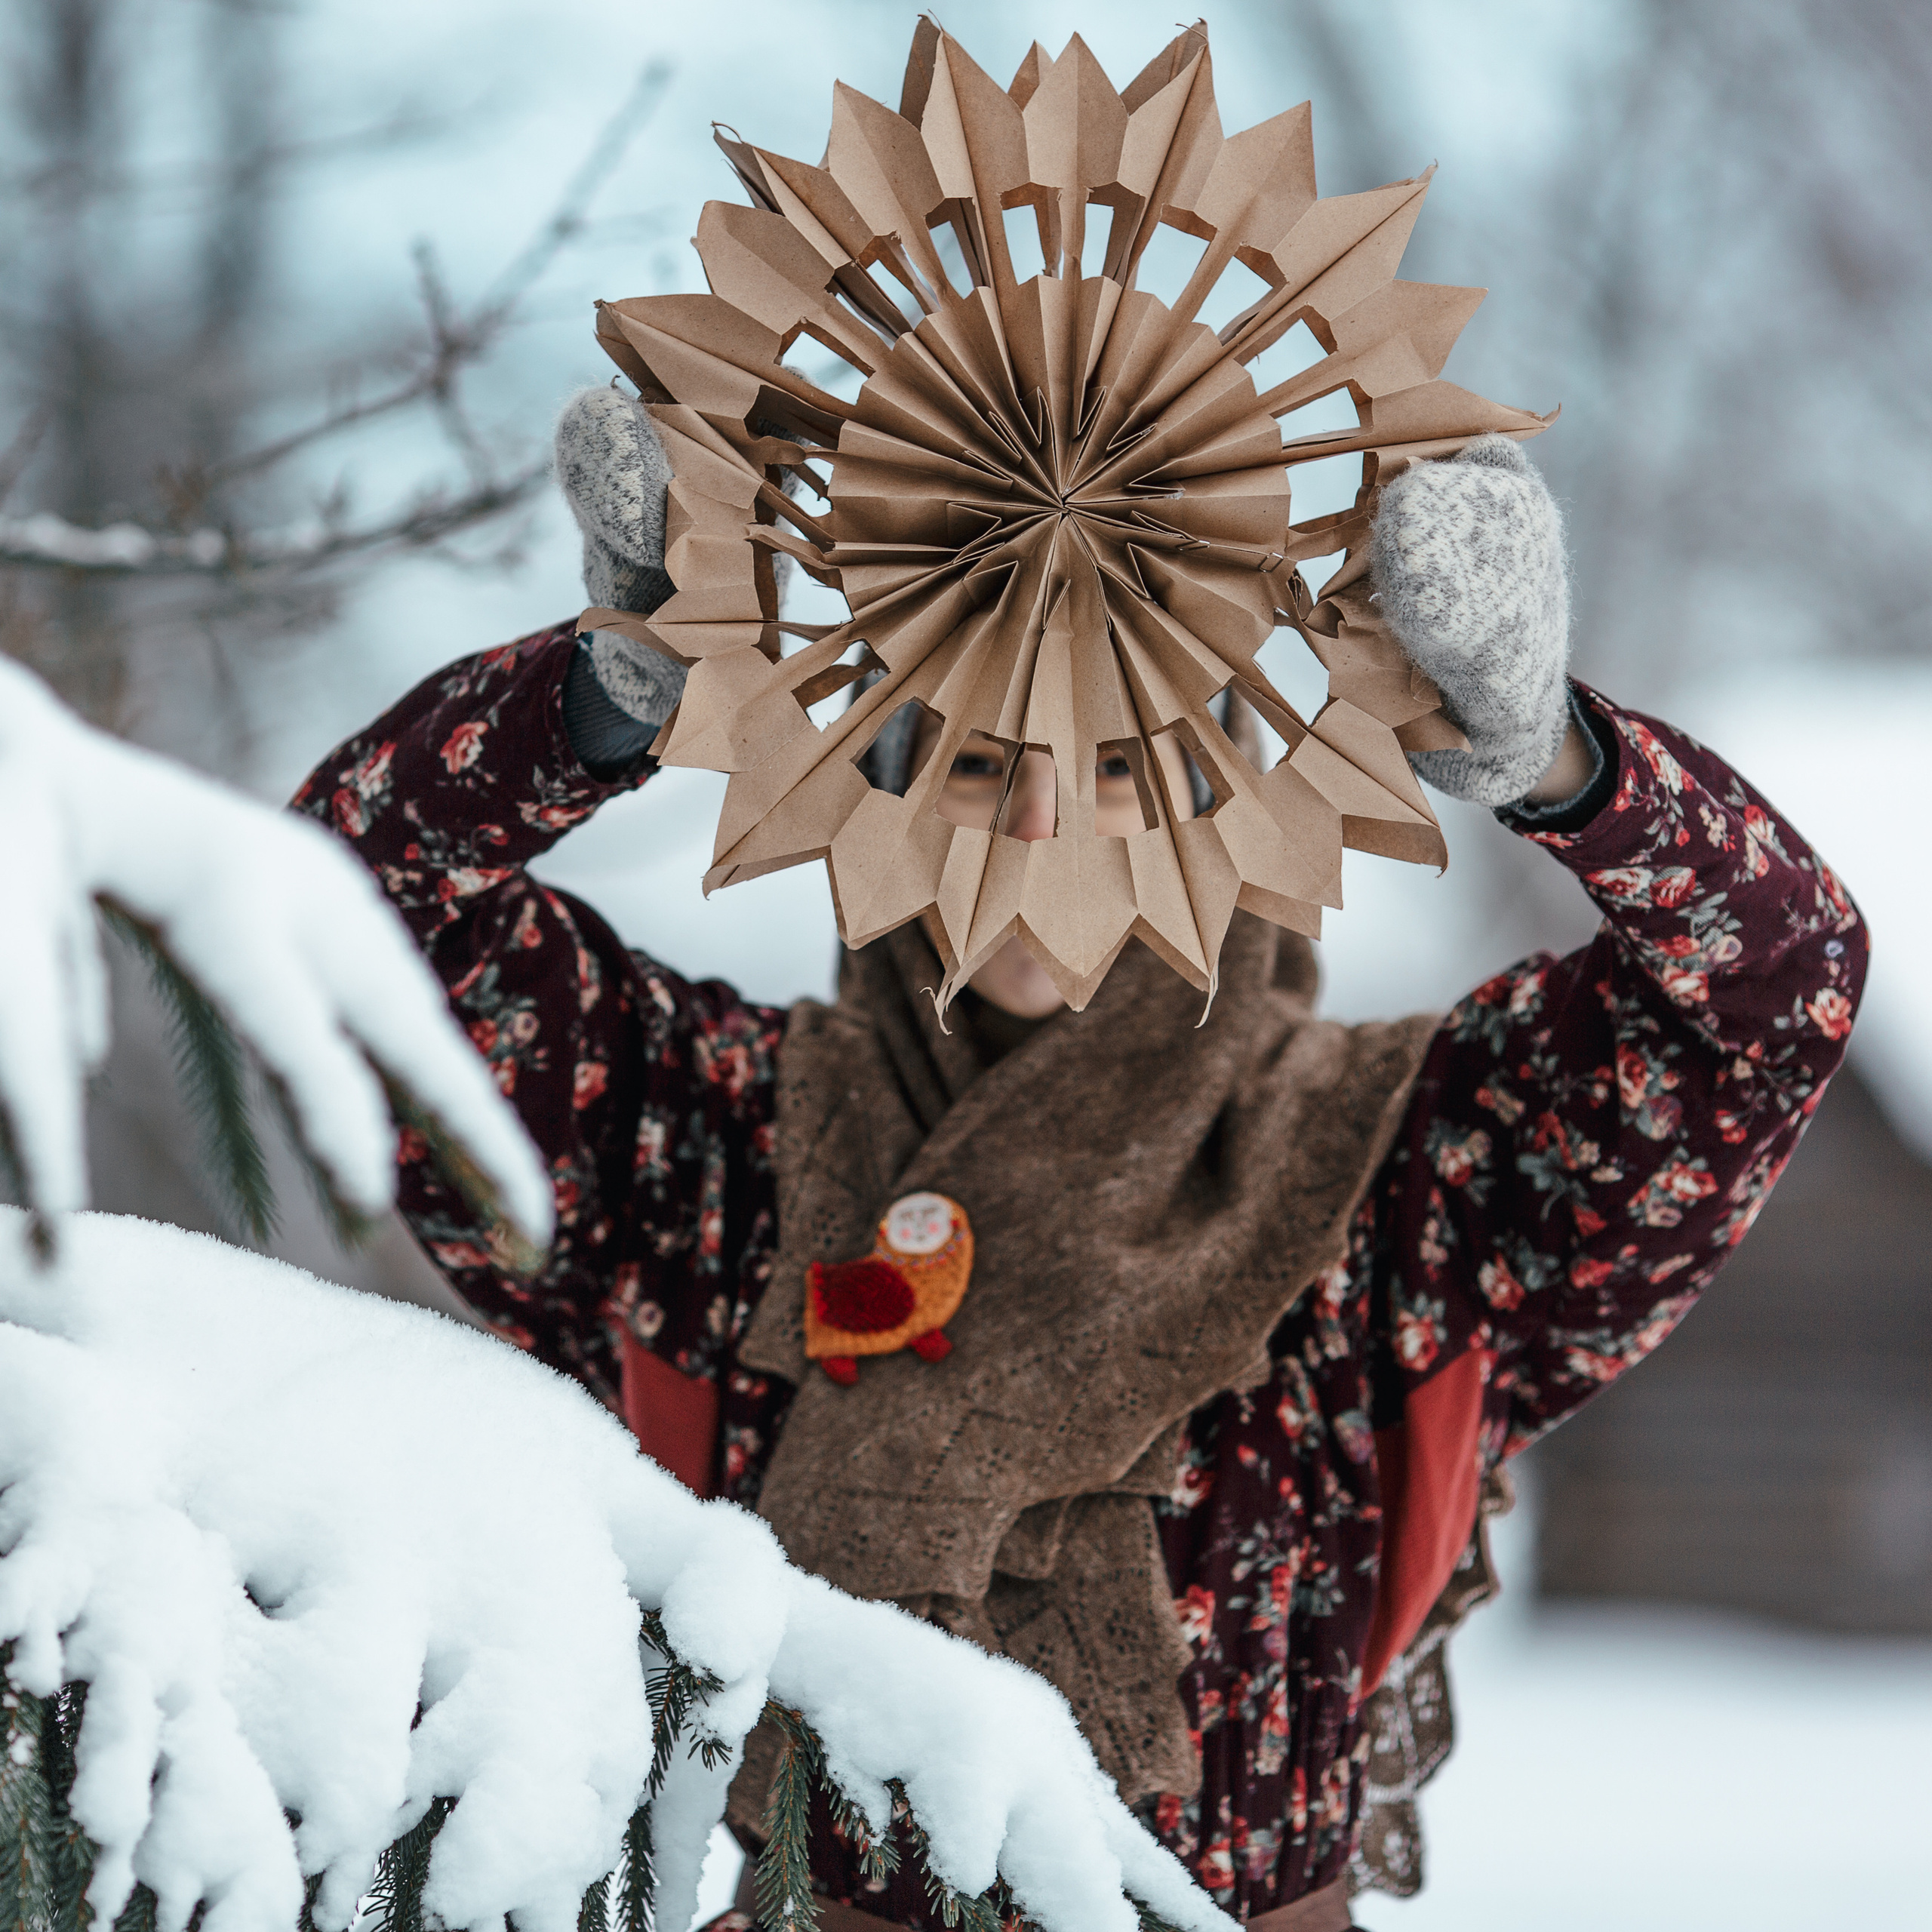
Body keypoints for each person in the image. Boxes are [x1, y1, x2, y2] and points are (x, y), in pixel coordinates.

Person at [294, 387, 1865, 1931]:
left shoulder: (1397, 1168)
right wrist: (609, 692)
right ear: (887, 799)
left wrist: (1552, 756)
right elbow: (335, 924)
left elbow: (1776, 993)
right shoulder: (717, 1140)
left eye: (1118, 769)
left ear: (1216, 811)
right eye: (979, 766)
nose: (1041, 832)